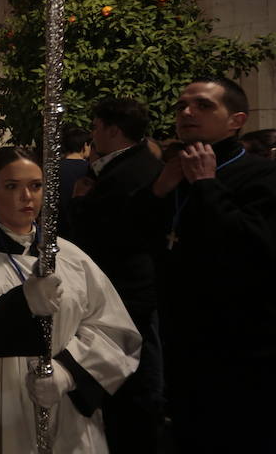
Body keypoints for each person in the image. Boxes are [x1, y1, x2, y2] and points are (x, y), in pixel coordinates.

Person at [0, 147, 141, 454]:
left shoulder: (72, 259)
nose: (27, 196)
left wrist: (68, 373)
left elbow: (114, 330)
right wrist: (18, 304)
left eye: (36, 186)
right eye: (12, 186)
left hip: (62, 410)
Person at [136, 77, 276, 452]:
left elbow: (253, 248)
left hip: (252, 352)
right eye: (181, 106)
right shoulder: (172, 174)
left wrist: (207, 184)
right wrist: (158, 190)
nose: (187, 112)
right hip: (188, 347)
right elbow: (135, 239)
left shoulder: (270, 178)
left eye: (204, 105)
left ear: (236, 120)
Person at [68, 98, 164, 454]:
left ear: (113, 129)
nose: (92, 136)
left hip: (126, 290)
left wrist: (80, 203)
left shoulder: (130, 171)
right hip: (123, 287)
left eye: (95, 127)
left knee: (133, 386)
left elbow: (106, 229)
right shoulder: (129, 165)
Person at [58, 126, 90, 239]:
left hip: (57, 231)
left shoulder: (54, 169)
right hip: (80, 231)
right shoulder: (90, 170)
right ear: (85, 146)